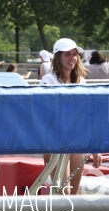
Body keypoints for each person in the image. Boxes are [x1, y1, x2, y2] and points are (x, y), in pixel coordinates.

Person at [40, 38, 101, 194]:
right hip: (55, 142)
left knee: (72, 197)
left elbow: (86, 115)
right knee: (63, 195)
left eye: (74, 54)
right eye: (67, 54)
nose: (72, 58)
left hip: (76, 140)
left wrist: (94, 146)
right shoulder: (48, 81)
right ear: (57, 57)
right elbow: (44, 116)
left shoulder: (80, 81)